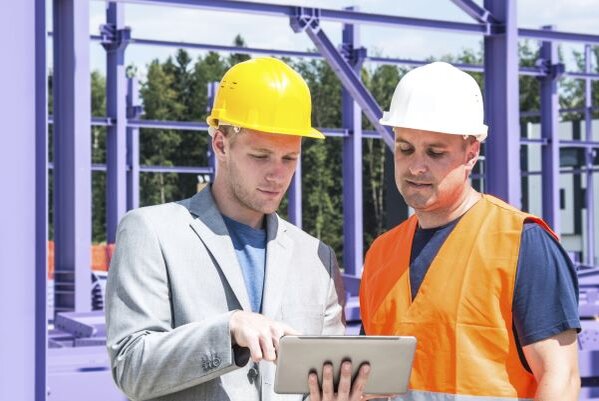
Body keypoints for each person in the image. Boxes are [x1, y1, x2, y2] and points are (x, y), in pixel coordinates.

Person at [106, 57, 369, 401]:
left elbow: (323, 379)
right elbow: (131, 366)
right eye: (260, 156)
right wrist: (226, 332)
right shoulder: (151, 233)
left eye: (289, 158)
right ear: (220, 144)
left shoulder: (316, 257)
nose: (277, 175)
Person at [359, 62, 581, 401]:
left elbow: (560, 377)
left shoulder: (521, 241)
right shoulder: (380, 254)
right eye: (405, 148)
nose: (416, 166)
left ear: (471, 153)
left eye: (435, 152)